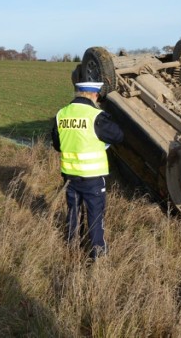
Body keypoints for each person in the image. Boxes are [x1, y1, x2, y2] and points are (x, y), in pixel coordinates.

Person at [52, 81, 124, 259]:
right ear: (94, 95)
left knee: (74, 212)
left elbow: (57, 144)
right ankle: (97, 253)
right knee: (95, 215)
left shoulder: (61, 114)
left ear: (78, 93)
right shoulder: (95, 116)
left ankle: (72, 246)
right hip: (92, 177)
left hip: (70, 175)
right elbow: (118, 136)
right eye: (97, 96)